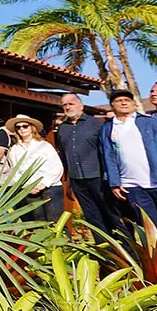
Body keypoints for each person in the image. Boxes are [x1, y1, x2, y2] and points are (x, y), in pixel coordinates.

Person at [102, 89, 157, 230]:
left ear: (134, 104)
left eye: (127, 100)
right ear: (112, 106)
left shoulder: (150, 123)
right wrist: (114, 182)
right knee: (150, 230)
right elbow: (107, 155)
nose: (123, 102)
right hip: (133, 186)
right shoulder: (108, 128)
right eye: (118, 101)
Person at [55, 93, 119, 240]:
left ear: (81, 105)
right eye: (64, 104)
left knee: (110, 213)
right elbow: (64, 155)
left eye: (71, 103)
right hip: (77, 178)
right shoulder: (63, 129)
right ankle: (104, 249)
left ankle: (125, 248)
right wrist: (69, 180)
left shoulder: (97, 124)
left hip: (98, 176)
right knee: (92, 216)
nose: (67, 107)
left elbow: (107, 151)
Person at [5, 115, 65, 222]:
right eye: (18, 127)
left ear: (32, 127)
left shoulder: (44, 145)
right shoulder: (14, 150)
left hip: (50, 187)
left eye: (25, 126)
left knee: (55, 222)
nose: (21, 129)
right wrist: (26, 186)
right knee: (38, 223)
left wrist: (43, 184)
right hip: (29, 190)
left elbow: (56, 167)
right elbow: (14, 171)